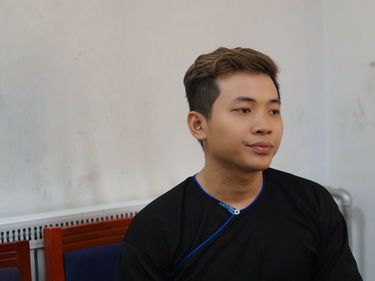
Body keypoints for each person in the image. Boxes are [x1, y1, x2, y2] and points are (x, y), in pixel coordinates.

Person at [118, 47, 362, 281]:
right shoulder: (156, 228)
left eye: (273, 111)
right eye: (244, 110)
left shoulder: (313, 202)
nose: (265, 126)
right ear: (198, 125)